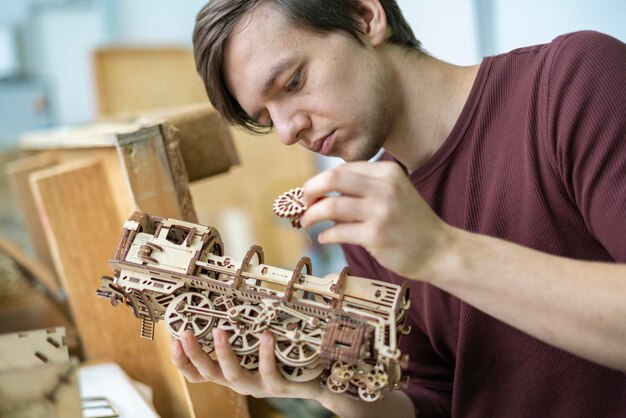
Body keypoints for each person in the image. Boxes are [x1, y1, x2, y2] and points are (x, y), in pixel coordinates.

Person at [172, 1, 626, 417]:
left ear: (366, 17)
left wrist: (439, 251)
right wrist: (325, 386)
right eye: (267, 119)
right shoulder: (370, 213)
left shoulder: (573, 80)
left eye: (293, 82)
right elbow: (437, 398)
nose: (289, 131)